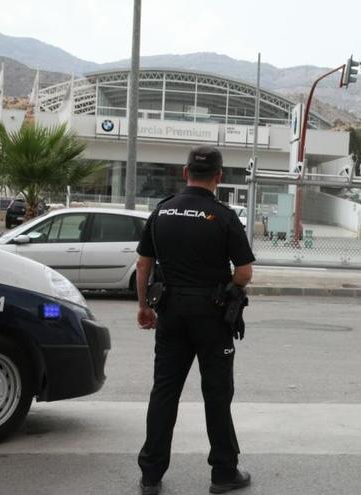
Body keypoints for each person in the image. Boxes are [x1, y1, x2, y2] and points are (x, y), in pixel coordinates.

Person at [135, 146, 255, 495]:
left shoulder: (161, 212)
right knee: (217, 395)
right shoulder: (224, 216)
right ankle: (223, 473)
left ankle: (151, 475)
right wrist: (224, 290)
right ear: (218, 177)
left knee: (164, 393)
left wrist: (144, 307)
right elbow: (244, 273)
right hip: (212, 318)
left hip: (170, 314)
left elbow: (143, 264)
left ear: (185, 172)